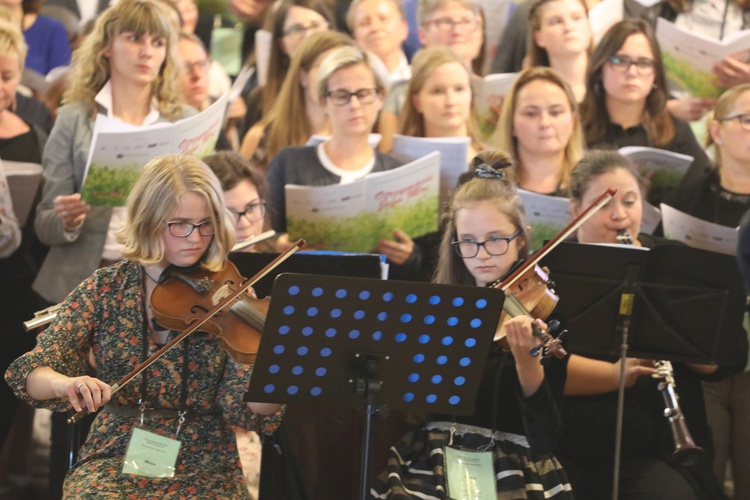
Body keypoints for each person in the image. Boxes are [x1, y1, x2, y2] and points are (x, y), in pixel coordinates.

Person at [5, 153, 284, 498]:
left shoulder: (233, 294)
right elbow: (29, 372)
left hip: (207, 459)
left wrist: (279, 373)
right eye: (179, 224)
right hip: (117, 450)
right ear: (148, 221)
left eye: (206, 223)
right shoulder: (107, 288)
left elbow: (247, 410)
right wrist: (67, 384)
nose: (195, 238)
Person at [369, 150, 573, 499]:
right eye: (468, 241)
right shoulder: (438, 308)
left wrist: (528, 364)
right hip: (434, 456)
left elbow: (545, 436)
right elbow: (415, 408)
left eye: (496, 239)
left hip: (515, 465)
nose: (481, 253)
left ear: (522, 238)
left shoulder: (546, 311)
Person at [557, 149, 746, 499]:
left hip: (657, 451)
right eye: (603, 205)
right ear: (574, 208)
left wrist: (679, 337)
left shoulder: (673, 264)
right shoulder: (556, 269)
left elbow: (727, 358)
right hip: (565, 447)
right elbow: (540, 372)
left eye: (630, 202)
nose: (620, 216)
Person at [33, 0, 195, 306]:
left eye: (158, 42)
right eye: (134, 38)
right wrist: (68, 219)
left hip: (165, 282)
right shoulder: (74, 118)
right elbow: (45, 225)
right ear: (106, 46)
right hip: (83, 282)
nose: (147, 51)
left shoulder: (185, 120)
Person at [663, 84, 750, 499]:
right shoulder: (694, 191)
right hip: (707, 353)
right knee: (707, 477)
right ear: (716, 131)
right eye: (746, 119)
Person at [580, 18, 712, 205]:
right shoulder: (575, 124)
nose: (632, 72)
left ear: (655, 74)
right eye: (620, 60)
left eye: (643, 63)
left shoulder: (675, 130)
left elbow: (700, 190)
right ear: (600, 69)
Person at [239, 30, 356, 170]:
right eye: (325, 68)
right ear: (303, 75)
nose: (336, 80)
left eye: (344, 71)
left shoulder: (356, 132)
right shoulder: (261, 138)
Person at [492, 66, 585, 196]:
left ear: (573, 122)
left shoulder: (591, 186)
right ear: (512, 124)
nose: (545, 123)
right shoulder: (489, 187)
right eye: (531, 114)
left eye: (555, 112)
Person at [243, 0, 334, 131]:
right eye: (296, 29)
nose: (308, 36)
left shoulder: (349, 84)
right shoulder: (261, 101)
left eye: (315, 26)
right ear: (281, 44)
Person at [394, 46, 484, 163]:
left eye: (459, 89)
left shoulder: (495, 165)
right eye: (438, 91)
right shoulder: (397, 164)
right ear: (417, 102)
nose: (451, 101)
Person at [177, 32, 245, 151]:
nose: (197, 75)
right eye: (186, 67)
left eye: (202, 64)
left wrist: (229, 125)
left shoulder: (216, 107)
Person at [527, 0, 592, 103]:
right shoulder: (529, 94)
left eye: (577, 18)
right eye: (556, 22)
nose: (569, 27)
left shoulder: (609, 87)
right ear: (539, 38)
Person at [347, 0, 410, 85]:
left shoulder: (421, 79)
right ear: (354, 38)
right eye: (365, 23)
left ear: (404, 29)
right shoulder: (349, 85)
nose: (375, 28)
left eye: (383, 19)